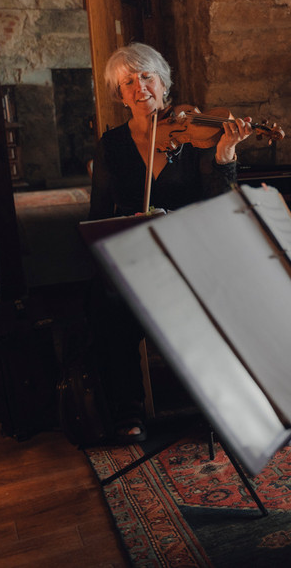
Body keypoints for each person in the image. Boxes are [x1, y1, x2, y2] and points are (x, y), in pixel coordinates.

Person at [87, 42, 255, 443]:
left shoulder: (194, 135)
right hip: (138, 254)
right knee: (107, 303)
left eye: (147, 77)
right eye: (128, 82)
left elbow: (220, 201)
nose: (140, 87)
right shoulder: (112, 146)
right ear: (120, 95)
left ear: (163, 85)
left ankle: (219, 400)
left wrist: (225, 153)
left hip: (192, 249)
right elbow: (98, 213)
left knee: (215, 296)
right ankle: (128, 409)